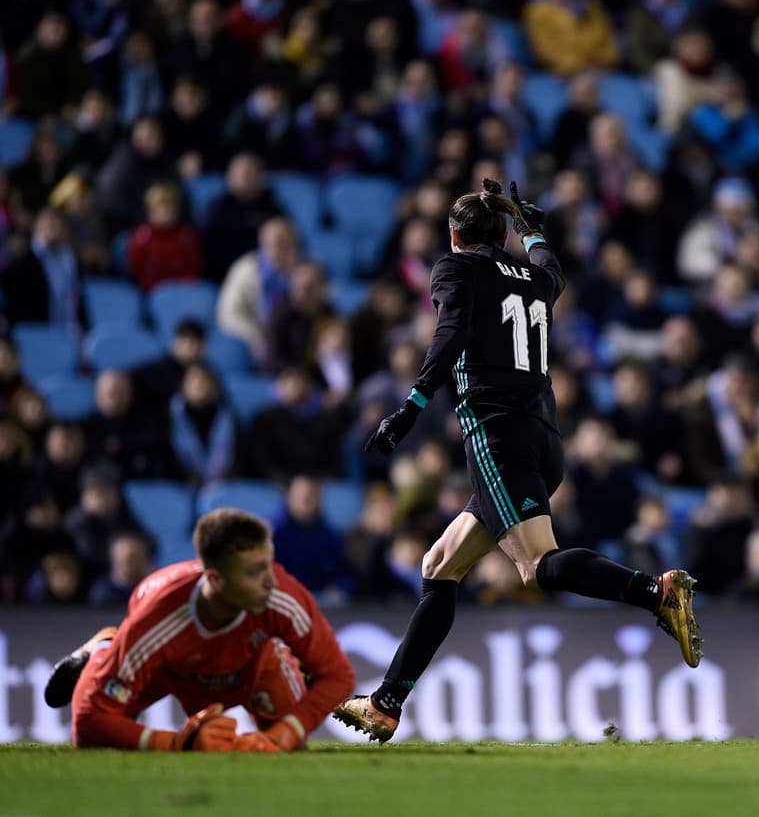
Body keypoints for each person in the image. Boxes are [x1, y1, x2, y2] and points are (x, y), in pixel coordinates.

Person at [332, 180, 701, 743]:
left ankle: (655, 591)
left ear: (453, 236)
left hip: (497, 437)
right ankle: (385, 703)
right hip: (544, 436)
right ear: (501, 235)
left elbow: (451, 333)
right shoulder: (533, 277)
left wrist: (410, 408)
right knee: (440, 565)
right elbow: (553, 268)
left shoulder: (455, 270)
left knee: (536, 565)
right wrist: (533, 231)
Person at [46, 508, 355, 752]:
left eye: (267, 564)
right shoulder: (158, 618)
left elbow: (338, 675)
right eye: (253, 572)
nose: (270, 581)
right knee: (98, 741)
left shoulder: (282, 597)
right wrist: (177, 743)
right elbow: (88, 721)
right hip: (166, 667)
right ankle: (107, 647)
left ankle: (112, 650)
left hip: (253, 664)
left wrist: (283, 734)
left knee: (291, 744)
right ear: (217, 581)